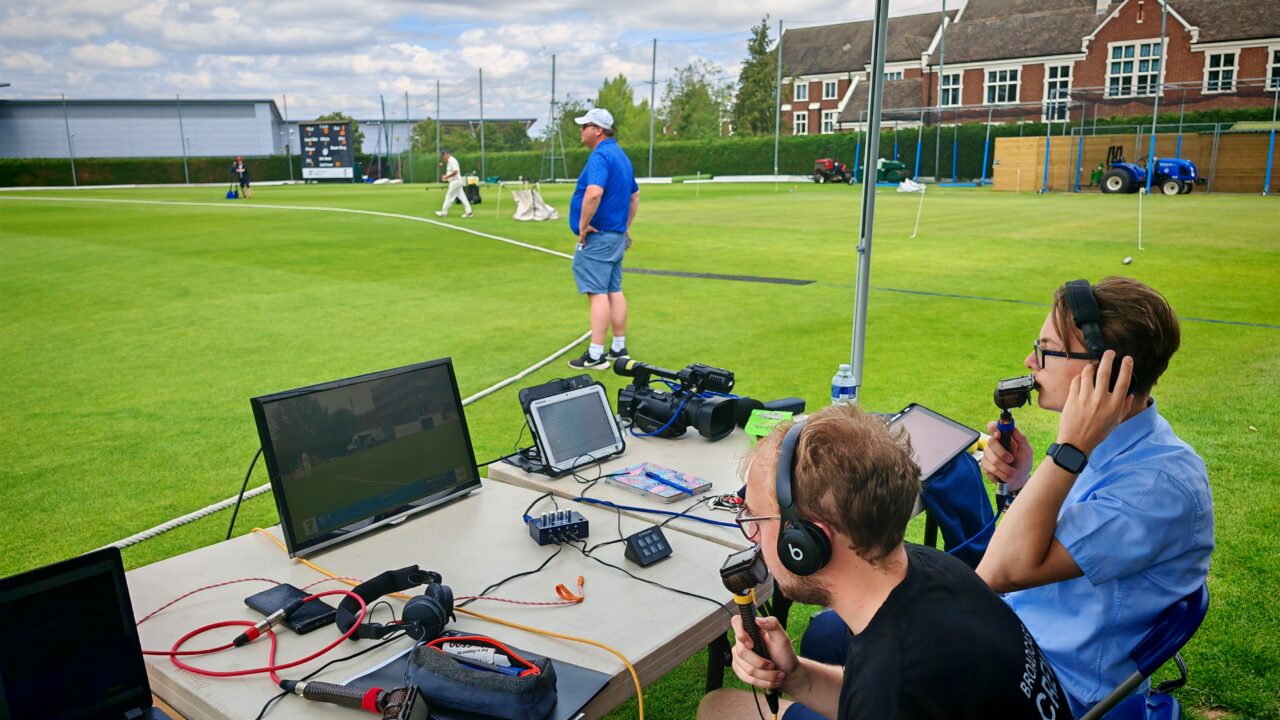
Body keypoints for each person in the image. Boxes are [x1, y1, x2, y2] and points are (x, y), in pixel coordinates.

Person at [697, 404, 1070, 720]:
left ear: (806, 543)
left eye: (756, 521)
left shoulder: (891, 688)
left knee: (718, 706)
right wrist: (797, 677)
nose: (754, 539)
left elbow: (886, 692)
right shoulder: (930, 567)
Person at [977, 277, 1214, 717]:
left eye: (1046, 349)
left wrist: (1067, 451)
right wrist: (1025, 481)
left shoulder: (1159, 488)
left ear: (1106, 372)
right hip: (1018, 633)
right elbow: (1053, 543)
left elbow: (998, 572)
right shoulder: (1113, 446)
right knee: (838, 633)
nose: (1030, 361)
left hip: (1056, 681)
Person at [566, 108, 639, 370]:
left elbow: (594, 193)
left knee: (597, 293)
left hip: (599, 237)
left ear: (597, 129)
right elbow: (634, 197)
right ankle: (618, 347)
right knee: (614, 289)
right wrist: (625, 227)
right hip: (616, 236)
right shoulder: (621, 156)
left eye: (585, 126)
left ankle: (596, 354)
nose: (581, 130)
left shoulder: (601, 156)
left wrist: (583, 226)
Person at [435, 149, 473, 218]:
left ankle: (444, 212)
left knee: (449, 197)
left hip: (455, 182)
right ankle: (469, 212)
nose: (443, 158)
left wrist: (446, 176)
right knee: (463, 197)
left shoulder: (452, 161)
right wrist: (447, 177)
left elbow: (455, 172)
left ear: (446, 154)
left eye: (443, 157)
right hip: (457, 181)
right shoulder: (450, 161)